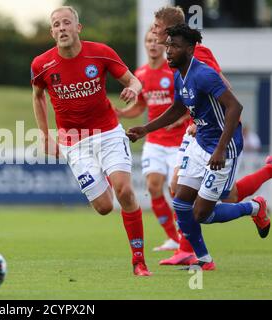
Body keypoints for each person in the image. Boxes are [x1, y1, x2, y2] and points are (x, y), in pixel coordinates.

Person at [127, 24, 270, 270]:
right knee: (181, 203)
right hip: (201, 142)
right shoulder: (178, 74)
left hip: (223, 146)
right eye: (168, 44)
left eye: (175, 46)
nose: (168, 50)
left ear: (191, 49)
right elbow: (178, 109)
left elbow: (235, 107)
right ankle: (204, 260)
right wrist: (146, 129)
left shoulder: (204, 74)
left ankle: (254, 207)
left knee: (202, 214)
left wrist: (220, 150)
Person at [31, 6, 151, 276]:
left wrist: (132, 88)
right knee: (105, 207)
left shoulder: (101, 52)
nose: (61, 28)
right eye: (56, 25)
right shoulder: (41, 64)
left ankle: (139, 260)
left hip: (108, 133)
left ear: (78, 28)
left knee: (125, 191)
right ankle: (106, 179)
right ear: (52, 32)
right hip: (74, 142)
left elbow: (133, 80)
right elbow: (37, 96)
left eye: (66, 23)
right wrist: (44, 134)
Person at [117, 29, 189, 252]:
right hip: (155, 140)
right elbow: (141, 106)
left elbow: (189, 100)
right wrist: (121, 112)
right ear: (145, 44)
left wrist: (181, 119)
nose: (153, 45)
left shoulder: (174, 70)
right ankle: (173, 238)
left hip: (178, 141)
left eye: (157, 41)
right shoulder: (141, 73)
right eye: (149, 41)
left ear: (164, 45)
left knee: (175, 189)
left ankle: (184, 236)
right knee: (153, 186)